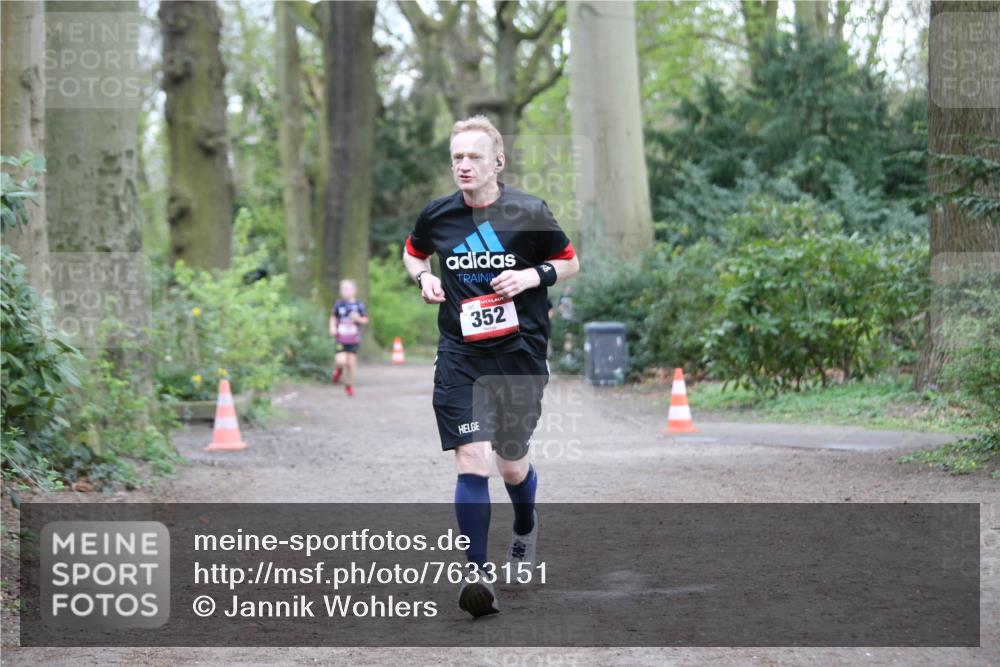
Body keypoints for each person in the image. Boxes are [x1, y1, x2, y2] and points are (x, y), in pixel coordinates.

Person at [402, 115, 580, 617]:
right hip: (460, 355)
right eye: (457, 157)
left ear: (497, 162)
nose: (464, 165)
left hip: (519, 353)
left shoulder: (529, 212)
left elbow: (570, 262)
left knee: (510, 462)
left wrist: (530, 277)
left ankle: (524, 527)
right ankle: (477, 574)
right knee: (472, 459)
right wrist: (423, 279)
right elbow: (413, 254)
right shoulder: (438, 215)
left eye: (474, 156)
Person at [329, 279, 369, 397]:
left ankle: (349, 385)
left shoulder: (359, 305)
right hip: (341, 338)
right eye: (342, 289)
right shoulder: (339, 304)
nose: (344, 291)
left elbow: (365, 319)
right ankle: (338, 370)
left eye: (347, 288)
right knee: (341, 360)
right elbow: (333, 317)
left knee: (351, 363)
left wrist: (358, 319)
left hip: (353, 339)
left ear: (354, 290)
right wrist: (332, 327)